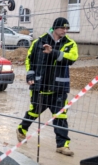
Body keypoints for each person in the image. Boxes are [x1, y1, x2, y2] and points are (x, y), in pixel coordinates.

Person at [16, 17, 78, 156]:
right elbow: (29, 59)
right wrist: (30, 76)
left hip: (59, 88)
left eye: (67, 28)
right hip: (41, 86)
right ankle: (21, 130)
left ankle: (62, 146)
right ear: (55, 27)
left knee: (61, 116)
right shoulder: (39, 41)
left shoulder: (70, 43)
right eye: (62, 28)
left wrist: (53, 53)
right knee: (34, 112)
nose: (65, 31)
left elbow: (72, 58)